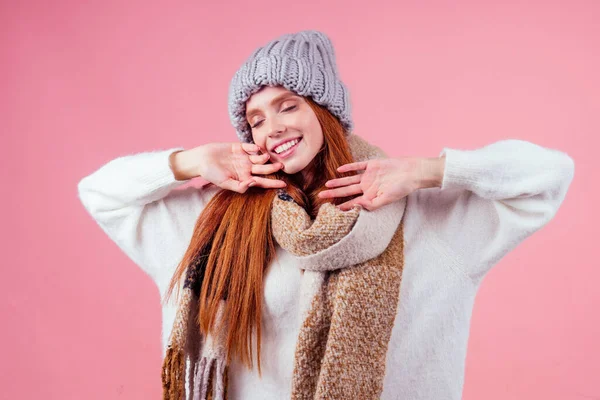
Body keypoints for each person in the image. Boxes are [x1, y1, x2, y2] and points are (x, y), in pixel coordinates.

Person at [77, 30, 575, 400]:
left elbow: (549, 175)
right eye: (255, 119)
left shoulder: (426, 220)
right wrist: (187, 161)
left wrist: (428, 172)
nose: (271, 127)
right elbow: (99, 193)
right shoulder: (215, 224)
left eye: (287, 105)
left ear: (325, 110)